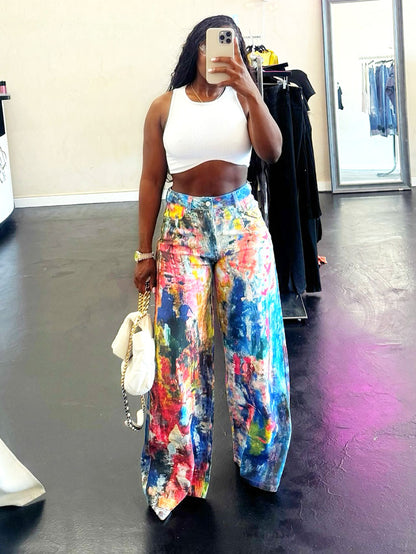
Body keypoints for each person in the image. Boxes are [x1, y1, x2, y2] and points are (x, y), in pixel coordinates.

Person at [133, 14, 291, 521]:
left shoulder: (245, 99)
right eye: (212, 46)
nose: (221, 55)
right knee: (177, 353)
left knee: (255, 349)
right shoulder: (164, 106)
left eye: (231, 48)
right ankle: (179, 471)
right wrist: (143, 251)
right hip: (182, 228)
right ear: (195, 51)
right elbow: (151, 180)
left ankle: (260, 462)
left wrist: (250, 89)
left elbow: (272, 151)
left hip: (241, 224)